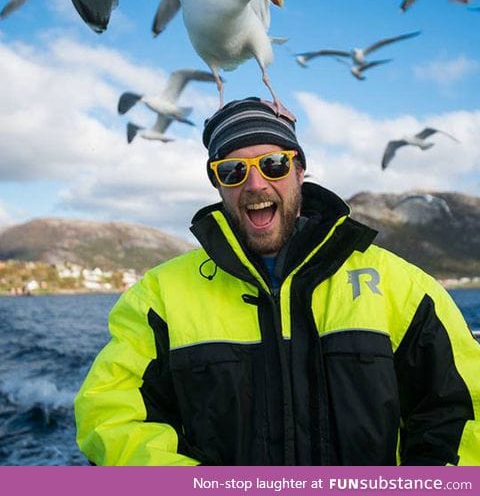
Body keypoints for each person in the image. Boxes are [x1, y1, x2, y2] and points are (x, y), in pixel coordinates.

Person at [75, 97, 480, 466]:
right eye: (233, 170)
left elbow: (461, 409)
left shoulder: (403, 288)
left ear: (299, 171)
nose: (255, 184)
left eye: (274, 164)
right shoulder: (159, 297)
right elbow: (110, 415)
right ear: (218, 184)